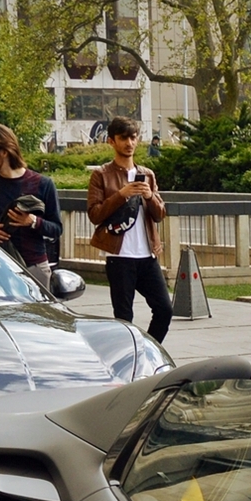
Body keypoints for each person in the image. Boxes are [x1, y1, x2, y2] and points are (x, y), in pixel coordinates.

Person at [87, 116, 169, 341]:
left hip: (147, 256)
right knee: (124, 319)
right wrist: (121, 195)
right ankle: (128, 362)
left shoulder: (147, 175)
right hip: (119, 257)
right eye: (123, 138)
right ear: (111, 141)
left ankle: (149, 352)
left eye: (133, 138)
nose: (129, 143)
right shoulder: (101, 175)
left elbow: (160, 214)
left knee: (164, 309)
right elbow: (95, 214)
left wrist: (150, 196)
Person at [0, 122, 61, 287]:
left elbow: (56, 229)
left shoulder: (43, 184)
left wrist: (32, 222)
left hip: (35, 268)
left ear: (4, 151)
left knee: (36, 314)